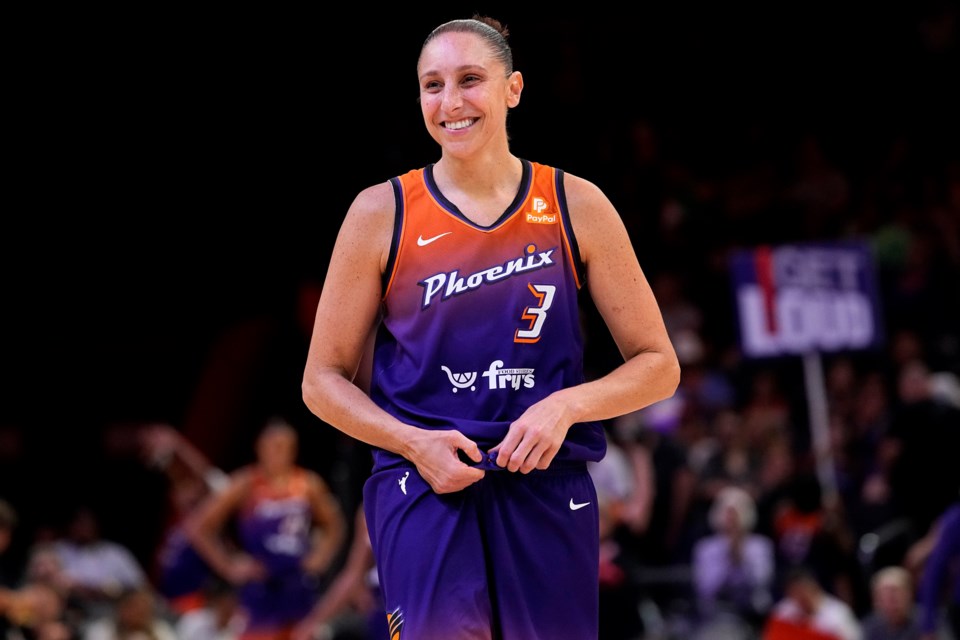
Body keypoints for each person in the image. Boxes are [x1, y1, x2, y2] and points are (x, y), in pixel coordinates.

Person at [301, 14, 680, 640]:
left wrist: (566, 406)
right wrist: (411, 442)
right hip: (422, 480)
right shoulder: (380, 212)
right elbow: (321, 381)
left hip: (545, 480)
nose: (449, 102)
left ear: (514, 88)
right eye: (432, 85)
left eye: (469, 80)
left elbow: (658, 364)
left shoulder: (573, 203)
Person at [184, 417, 347, 640]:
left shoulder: (308, 483)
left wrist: (321, 557)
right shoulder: (245, 482)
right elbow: (198, 527)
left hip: (298, 582)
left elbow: (335, 525)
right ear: (260, 448)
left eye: (286, 447)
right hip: (260, 584)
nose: (280, 453)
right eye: (274, 446)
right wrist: (229, 566)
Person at [859, 565, 922, 640]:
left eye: (894, 592)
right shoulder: (867, 628)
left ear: (909, 594)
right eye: (884, 594)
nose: (890, 599)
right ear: (875, 600)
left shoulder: (925, 622)